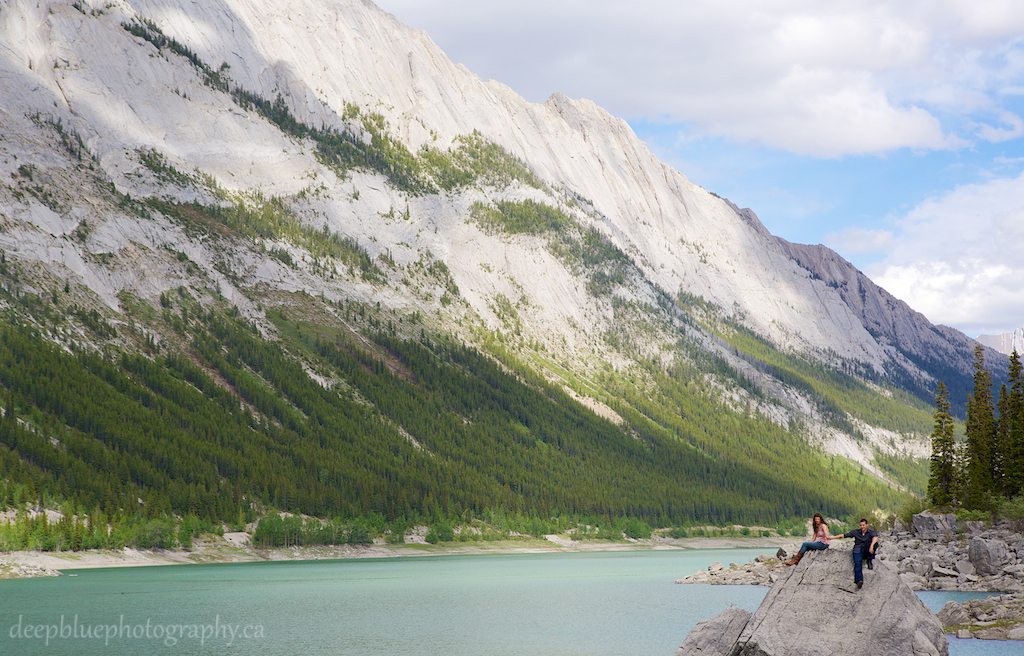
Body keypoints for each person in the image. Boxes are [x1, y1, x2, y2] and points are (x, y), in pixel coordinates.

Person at [832, 518, 879, 589]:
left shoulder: (870, 532)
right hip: (858, 550)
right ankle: (859, 580)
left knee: (875, 544)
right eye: (861, 525)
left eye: (863, 525)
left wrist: (871, 546)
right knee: (857, 563)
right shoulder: (856, 532)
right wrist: (832, 537)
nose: (862, 527)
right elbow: (844, 535)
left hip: (867, 550)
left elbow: (875, 537)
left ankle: (869, 559)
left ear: (866, 525)